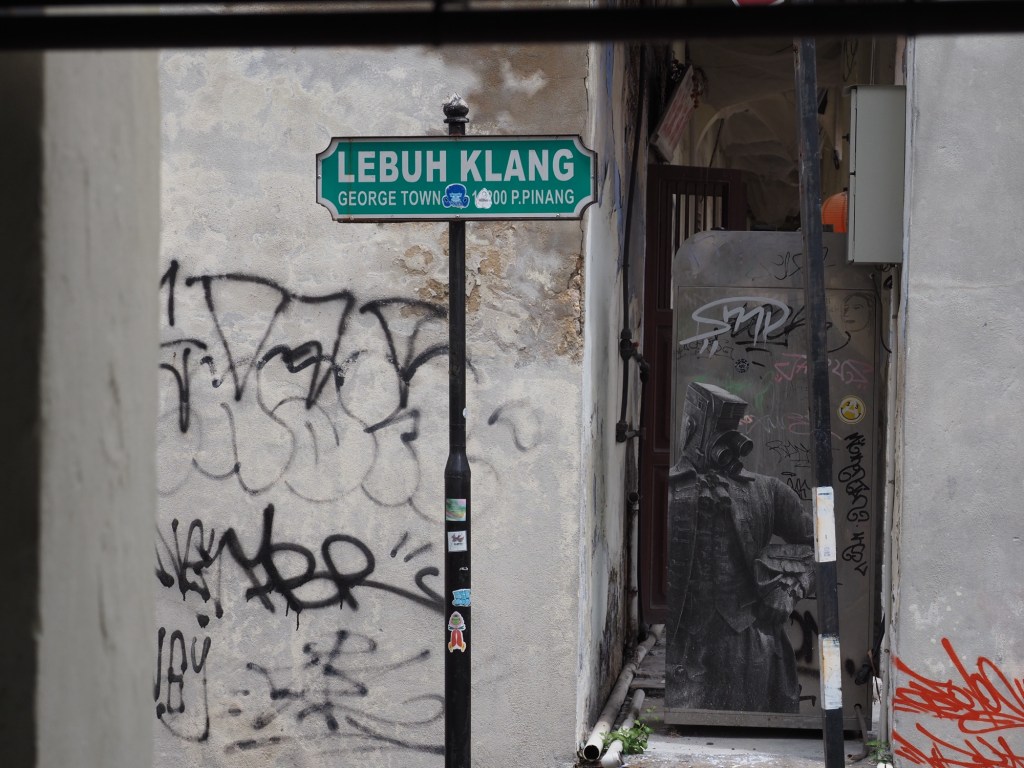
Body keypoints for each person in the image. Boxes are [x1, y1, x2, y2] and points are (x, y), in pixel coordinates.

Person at [666, 382, 814, 713]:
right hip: (683, 649)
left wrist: (787, 589)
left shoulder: (767, 491)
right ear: (690, 426)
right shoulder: (669, 490)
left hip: (750, 646)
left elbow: (819, 547)